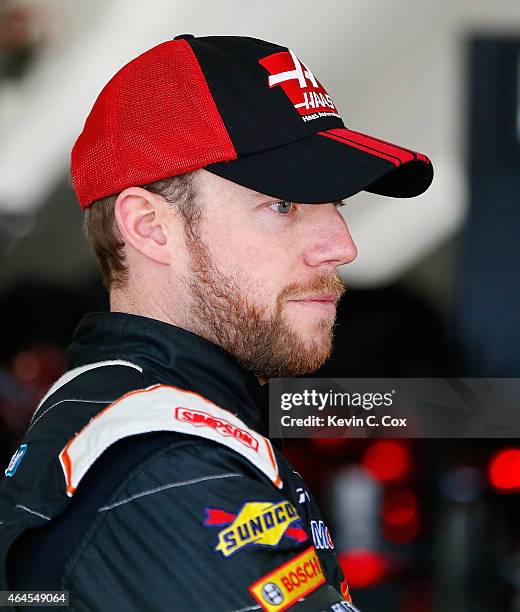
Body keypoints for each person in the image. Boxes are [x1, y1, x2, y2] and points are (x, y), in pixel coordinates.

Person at [0, 35, 433, 611]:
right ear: (151, 227)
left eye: (339, 206)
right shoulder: (163, 466)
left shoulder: (149, 419)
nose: (342, 246)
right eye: (284, 205)